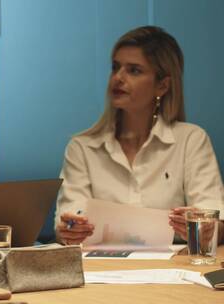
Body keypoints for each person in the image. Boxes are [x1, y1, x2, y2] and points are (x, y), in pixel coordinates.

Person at [55, 26, 224, 245]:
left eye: (134, 70)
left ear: (162, 86)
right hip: (101, 271)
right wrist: (71, 230)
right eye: (115, 67)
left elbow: (215, 220)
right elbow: (65, 225)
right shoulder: (82, 147)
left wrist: (205, 230)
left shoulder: (191, 140)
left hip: (172, 272)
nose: (118, 78)